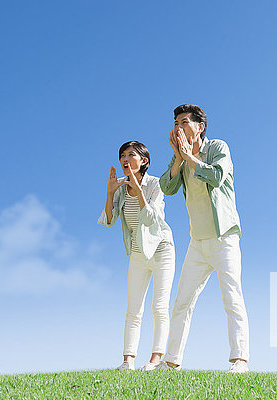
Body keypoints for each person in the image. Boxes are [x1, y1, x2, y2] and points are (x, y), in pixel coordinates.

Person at [155, 104, 250, 373]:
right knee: (182, 302)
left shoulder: (218, 147)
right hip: (197, 243)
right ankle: (171, 360)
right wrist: (178, 157)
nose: (179, 127)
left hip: (224, 238)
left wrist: (190, 157)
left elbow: (217, 176)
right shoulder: (181, 158)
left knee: (232, 297)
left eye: (185, 122)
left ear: (200, 126)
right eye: (176, 122)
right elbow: (167, 187)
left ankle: (239, 359)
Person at [97, 141, 175, 371]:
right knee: (133, 310)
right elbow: (109, 220)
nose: (125, 159)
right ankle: (127, 360)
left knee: (159, 308)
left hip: (161, 250)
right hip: (138, 252)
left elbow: (151, 218)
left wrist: (138, 189)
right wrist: (110, 192)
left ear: (144, 161)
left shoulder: (156, 184)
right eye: (122, 155)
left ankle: (154, 360)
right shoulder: (121, 188)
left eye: (131, 154)